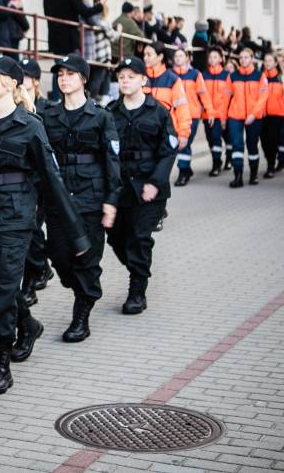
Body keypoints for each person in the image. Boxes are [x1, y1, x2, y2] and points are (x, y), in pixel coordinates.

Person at [0, 55, 90, 396]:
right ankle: (27, 324)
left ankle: (0, 365)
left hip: (15, 220)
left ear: (12, 83)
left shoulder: (30, 125)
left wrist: (76, 233)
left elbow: (52, 180)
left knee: (0, 291)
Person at [42, 54, 120, 342]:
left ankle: (81, 316)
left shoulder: (101, 116)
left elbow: (112, 161)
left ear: (84, 79)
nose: (63, 79)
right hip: (59, 200)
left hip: (90, 198)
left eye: (70, 74)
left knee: (87, 259)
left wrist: (111, 200)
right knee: (59, 256)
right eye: (60, 74)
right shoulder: (49, 116)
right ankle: (84, 288)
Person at [107, 57, 177, 315]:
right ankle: (139, 268)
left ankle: (137, 291)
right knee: (116, 238)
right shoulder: (110, 112)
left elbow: (169, 151)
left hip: (149, 189)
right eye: (121, 77)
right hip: (121, 188)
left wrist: (156, 183)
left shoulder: (158, 112)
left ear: (143, 80)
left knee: (139, 237)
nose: (125, 81)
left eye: (131, 76)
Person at [17, 56, 55, 305]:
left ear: (35, 81)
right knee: (30, 232)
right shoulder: (13, 106)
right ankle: (41, 267)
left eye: (26, 76)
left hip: (40, 182)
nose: (21, 80)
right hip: (22, 184)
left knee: (32, 231)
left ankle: (33, 279)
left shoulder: (46, 109)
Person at [225, 46, 268, 188]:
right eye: (241, 58)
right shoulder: (232, 76)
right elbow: (226, 98)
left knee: (252, 145)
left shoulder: (260, 76)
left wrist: (253, 115)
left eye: (246, 57)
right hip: (235, 115)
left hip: (254, 117)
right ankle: (238, 176)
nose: (243, 60)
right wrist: (223, 117)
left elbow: (263, 98)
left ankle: (254, 174)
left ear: (252, 59)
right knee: (237, 144)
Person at [171, 46, 215, 186]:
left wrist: (210, 111)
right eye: (176, 56)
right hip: (175, 116)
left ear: (187, 58)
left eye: (181, 56)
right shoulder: (170, 75)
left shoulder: (195, 74)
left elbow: (203, 94)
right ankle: (187, 169)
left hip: (192, 115)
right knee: (179, 144)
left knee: (185, 143)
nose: (178, 58)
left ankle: (183, 173)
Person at [201, 47, 233, 177]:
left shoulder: (227, 76)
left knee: (221, 138)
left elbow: (228, 97)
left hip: (222, 114)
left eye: (215, 57)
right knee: (211, 139)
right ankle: (218, 160)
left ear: (221, 59)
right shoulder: (203, 75)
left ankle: (219, 163)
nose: (212, 59)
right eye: (210, 57)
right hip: (207, 115)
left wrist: (225, 115)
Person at [261, 53, 284, 179]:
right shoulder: (261, 77)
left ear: (275, 63)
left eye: (270, 61)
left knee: (272, 140)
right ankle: (270, 160)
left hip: (277, 115)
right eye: (265, 60)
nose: (267, 63)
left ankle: (271, 166)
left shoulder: (282, 77)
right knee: (264, 142)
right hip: (262, 114)